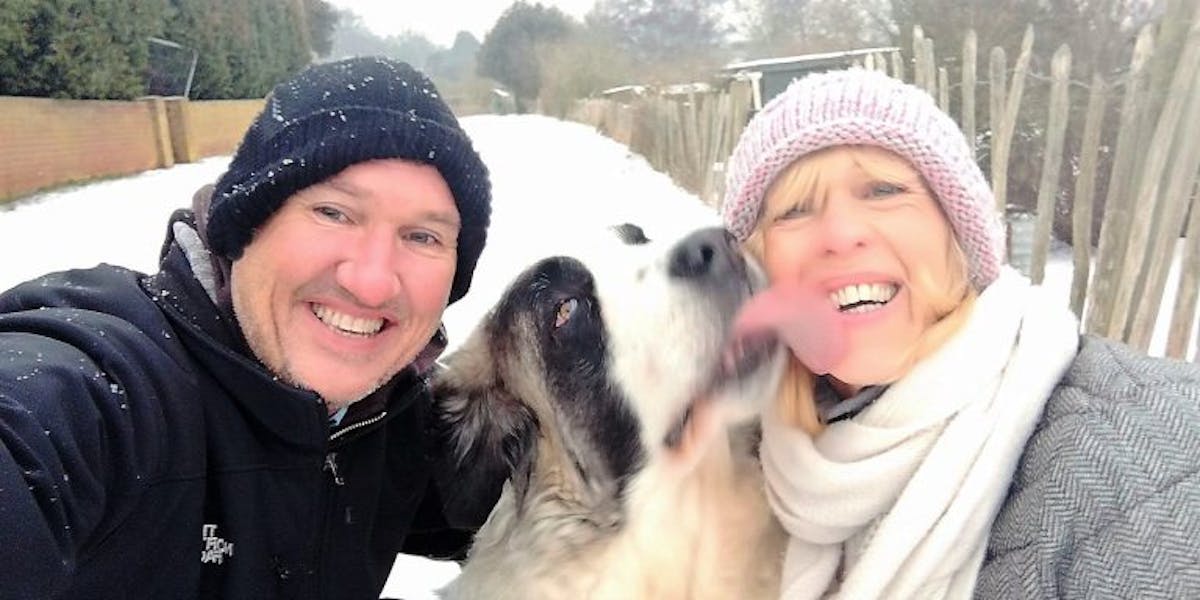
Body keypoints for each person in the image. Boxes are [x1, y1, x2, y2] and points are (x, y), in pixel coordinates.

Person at [0, 56, 500, 599]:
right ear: (243, 228)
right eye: (333, 212)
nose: (373, 283)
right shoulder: (111, 395)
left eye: (423, 236)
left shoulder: (393, 425)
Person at [722, 68, 1200, 599]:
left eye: (883, 191)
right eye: (794, 210)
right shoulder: (742, 474)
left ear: (958, 234)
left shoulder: (1149, 464)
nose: (840, 234)